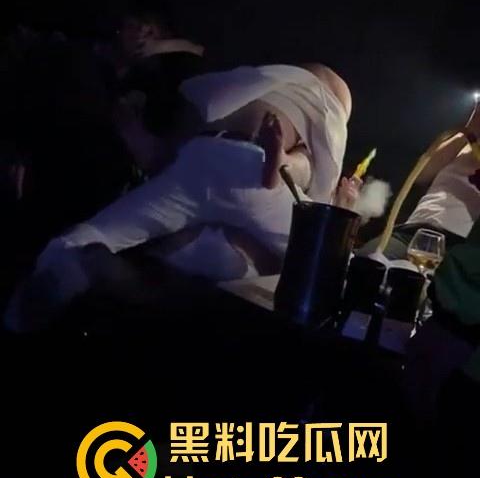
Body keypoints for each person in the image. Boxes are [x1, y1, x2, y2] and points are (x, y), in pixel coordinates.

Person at [4, 61, 358, 331]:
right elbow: (303, 177)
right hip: (253, 170)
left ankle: (57, 273)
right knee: (321, 264)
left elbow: (169, 154)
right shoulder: (321, 117)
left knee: (93, 234)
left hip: (202, 154)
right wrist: (336, 200)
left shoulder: (252, 90)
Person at [360, 101, 480, 259]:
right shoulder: (464, 143)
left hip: (457, 246)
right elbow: (421, 174)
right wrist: (469, 131)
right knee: (366, 259)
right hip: (413, 233)